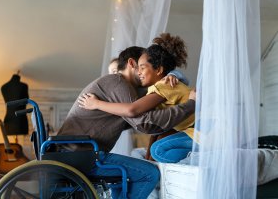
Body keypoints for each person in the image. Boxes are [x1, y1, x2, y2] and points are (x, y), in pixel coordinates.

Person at [58, 46, 196, 199]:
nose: (141, 73)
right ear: (132, 63)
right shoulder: (119, 84)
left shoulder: (124, 86)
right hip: (81, 156)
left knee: (134, 171)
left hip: (75, 154)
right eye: (141, 67)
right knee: (149, 173)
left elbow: (159, 89)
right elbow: (145, 123)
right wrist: (190, 105)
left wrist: (174, 74)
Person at [79, 33, 196, 163]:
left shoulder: (164, 85)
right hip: (193, 130)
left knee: (158, 151)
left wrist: (96, 104)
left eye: (142, 67)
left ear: (158, 70)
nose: (139, 72)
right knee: (149, 152)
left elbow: (132, 110)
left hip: (200, 129)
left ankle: (203, 155)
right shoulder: (158, 86)